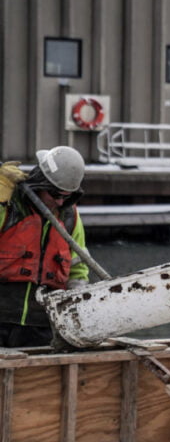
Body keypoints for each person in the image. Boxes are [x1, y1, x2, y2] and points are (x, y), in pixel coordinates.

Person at [0, 146, 89, 348]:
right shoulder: (7, 206)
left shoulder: (69, 217)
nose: (59, 201)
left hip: (42, 327)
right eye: (54, 194)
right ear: (40, 182)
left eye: (66, 196)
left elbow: (78, 269)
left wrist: (75, 314)